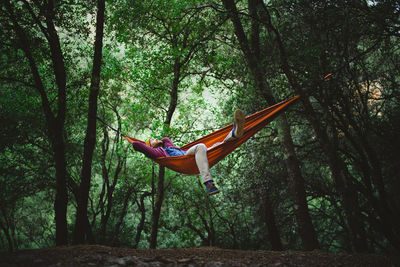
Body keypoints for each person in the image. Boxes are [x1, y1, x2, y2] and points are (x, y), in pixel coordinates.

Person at [131, 109, 245, 195]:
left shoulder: (167, 146)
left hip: (194, 156)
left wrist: (157, 141)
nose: (156, 138)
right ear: (151, 147)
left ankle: (234, 134)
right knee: (200, 146)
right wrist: (134, 140)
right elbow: (137, 145)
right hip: (186, 159)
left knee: (218, 145)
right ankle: (208, 184)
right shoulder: (159, 153)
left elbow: (165, 139)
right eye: (152, 140)